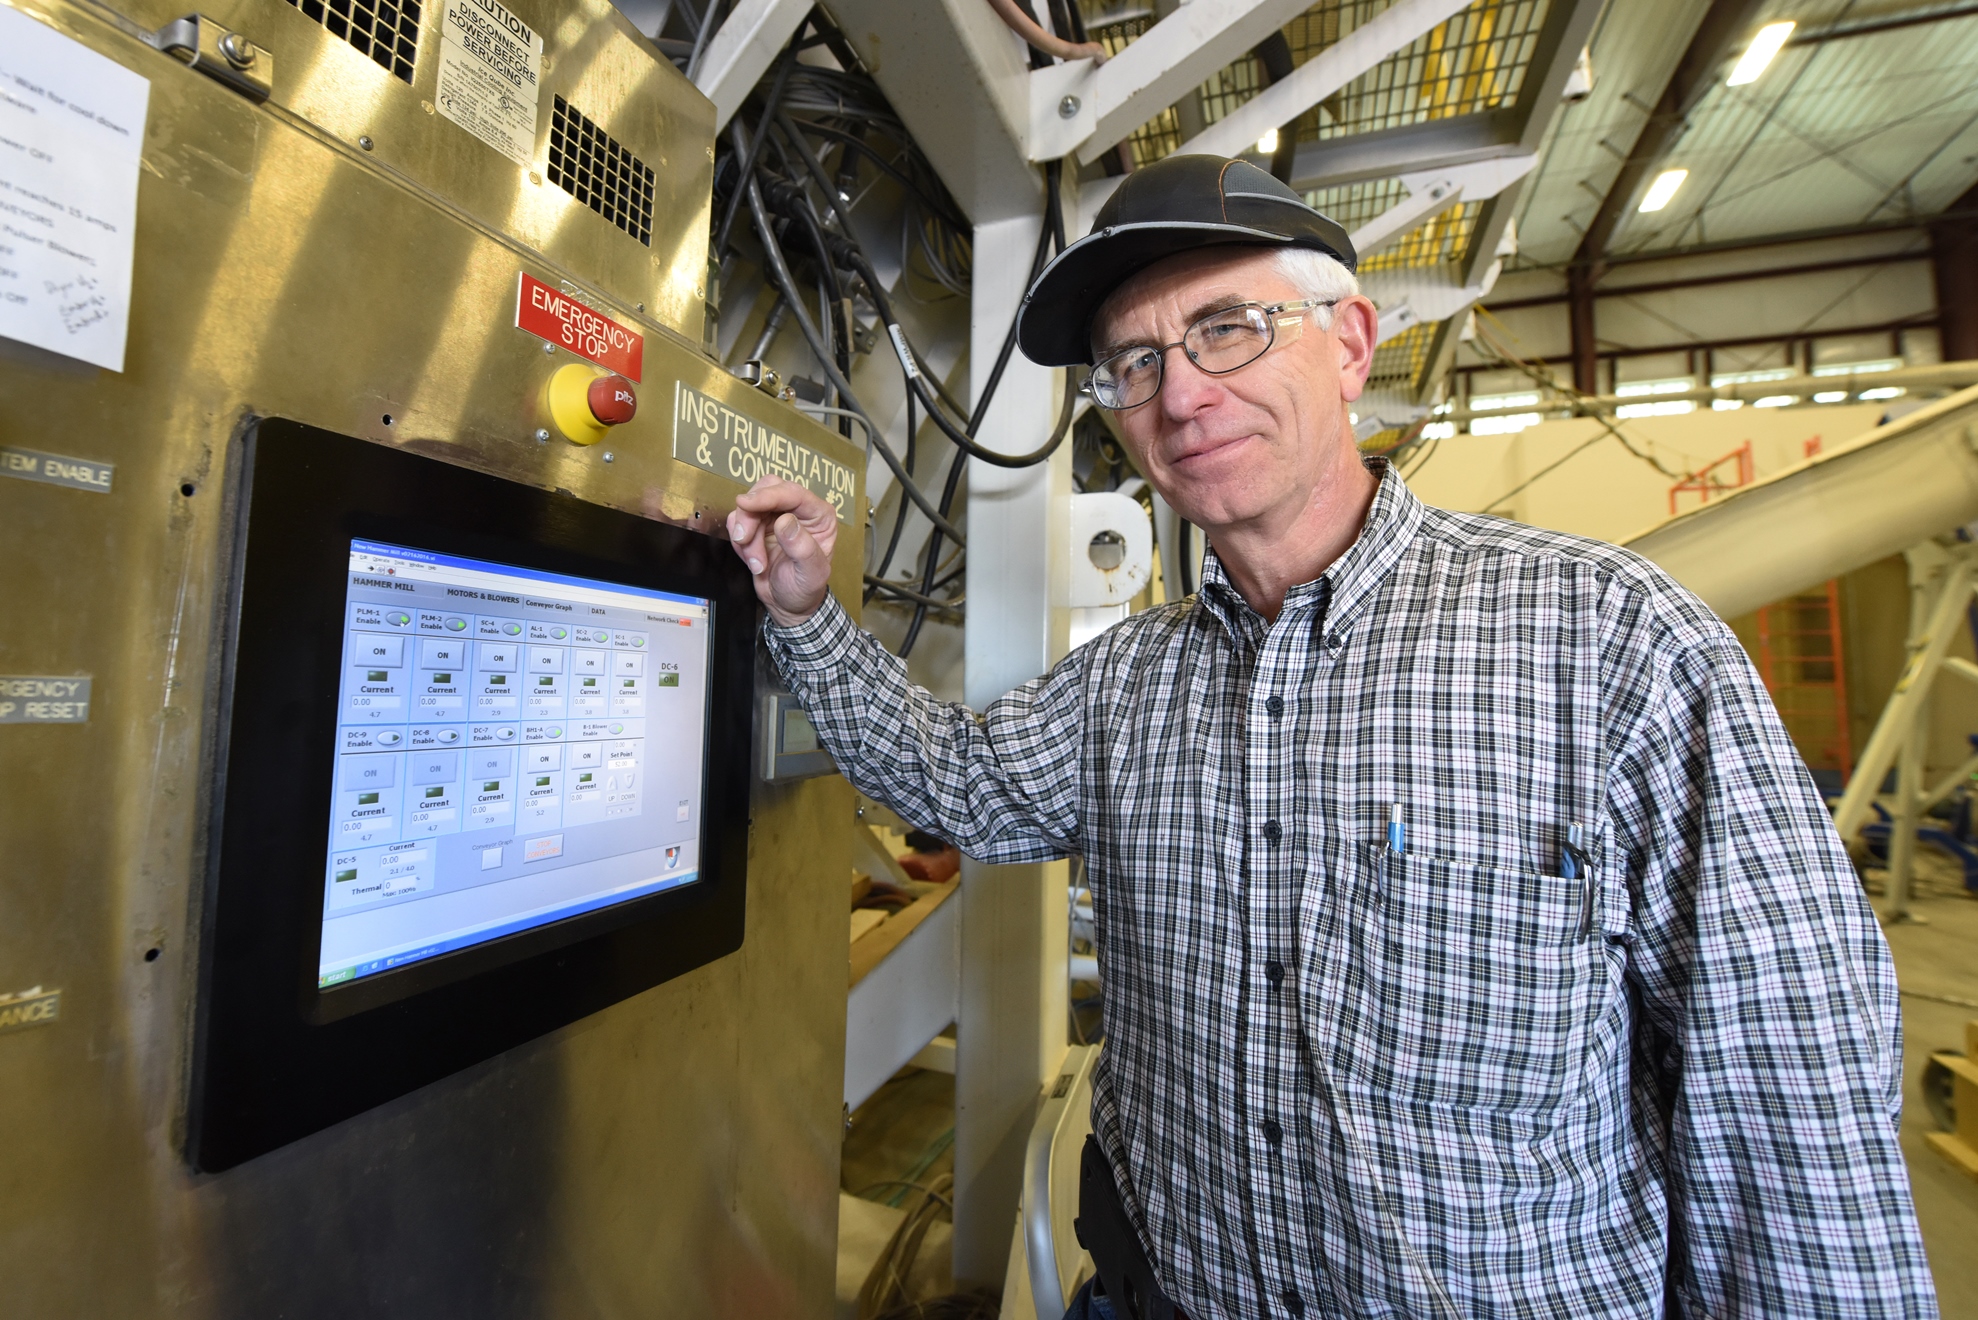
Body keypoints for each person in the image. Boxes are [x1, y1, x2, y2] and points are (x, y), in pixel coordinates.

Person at [727, 156, 1936, 1318]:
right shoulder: (1122, 687)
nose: (1180, 396)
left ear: (1350, 344)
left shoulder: (1613, 643)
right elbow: (951, 779)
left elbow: (1790, 1100)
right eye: (1134, 363)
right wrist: (805, 614)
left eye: (1227, 329)